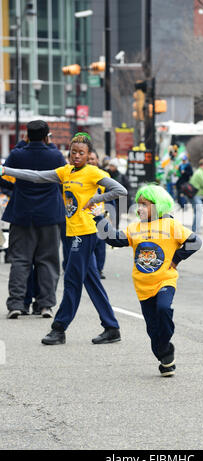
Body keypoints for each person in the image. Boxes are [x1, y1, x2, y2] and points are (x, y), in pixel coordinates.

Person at [0, 133, 128, 345]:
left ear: (88, 155)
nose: (76, 156)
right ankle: (111, 327)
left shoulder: (93, 172)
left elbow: (120, 190)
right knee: (91, 281)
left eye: (81, 153)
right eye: (73, 152)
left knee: (71, 282)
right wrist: (6, 170)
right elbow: (36, 176)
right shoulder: (65, 171)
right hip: (70, 232)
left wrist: (96, 198)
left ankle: (59, 328)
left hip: (84, 233)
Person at [98, 183, 201, 376]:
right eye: (138, 204)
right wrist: (99, 217)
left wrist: (177, 258)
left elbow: (195, 241)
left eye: (145, 204)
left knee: (163, 309)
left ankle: (166, 349)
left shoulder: (170, 225)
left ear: (158, 205)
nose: (140, 208)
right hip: (143, 286)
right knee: (153, 330)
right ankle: (165, 358)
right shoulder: (135, 228)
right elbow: (112, 238)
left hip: (165, 281)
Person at [2, 120, 66, 319]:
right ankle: (45, 304)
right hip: (48, 214)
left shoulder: (18, 154)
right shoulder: (55, 155)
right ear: (47, 136)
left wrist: (23, 145)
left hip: (22, 213)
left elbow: (5, 174)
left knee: (20, 260)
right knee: (48, 260)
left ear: (27, 135)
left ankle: (16, 304)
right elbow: (65, 176)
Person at [87, 148, 107, 279]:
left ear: (97, 160)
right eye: (88, 159)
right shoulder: (78, 174)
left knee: (100, 245)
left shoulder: (104, 175)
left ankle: (98, 270)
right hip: (84, 217)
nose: (90, 161)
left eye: (92, 159)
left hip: (100, 215)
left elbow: (111, 197)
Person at [107, 157, 131, 229]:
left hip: (118, 201)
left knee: (117, 216)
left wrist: (127, 203)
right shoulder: (106, 174)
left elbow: (127, 190)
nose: (110, 167)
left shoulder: (122, 177)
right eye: (110, 165)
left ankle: (115, 229)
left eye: (112, 165)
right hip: (108, 199)